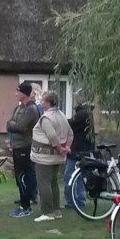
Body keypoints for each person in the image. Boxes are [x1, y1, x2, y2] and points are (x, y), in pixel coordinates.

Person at [31, 90, 73, 222]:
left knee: (44, 184)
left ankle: (47, 212)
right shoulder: (61, 115)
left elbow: (52, 136)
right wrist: (67, 147)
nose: (40, 102)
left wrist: (61, 149)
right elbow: (70, 133)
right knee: (53, 183)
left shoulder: (46, 118)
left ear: (48, 102)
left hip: (45, 157)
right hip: (57, 157)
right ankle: (56, 210)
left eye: (42, 100)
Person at [5, 81, 40, 218]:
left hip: (25, 146)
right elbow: (10, 124)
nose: (15, 94)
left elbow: (20, 127)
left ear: (24, 94)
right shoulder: (19, 108)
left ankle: (26, 206)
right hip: (17, 145)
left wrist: (13, 125)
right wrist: (13, 125)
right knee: (19, 177)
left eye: (17, 91)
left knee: (24, 176)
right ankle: (24, 203)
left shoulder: (31, 109)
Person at [66, 102, 95, 209]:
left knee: (71, 175)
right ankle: (78, 200)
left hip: (78, 151)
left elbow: (70, 125)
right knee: (80, 176)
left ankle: (74, 200)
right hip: (83, 149)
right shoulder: (87, 114)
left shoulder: (82, 114)